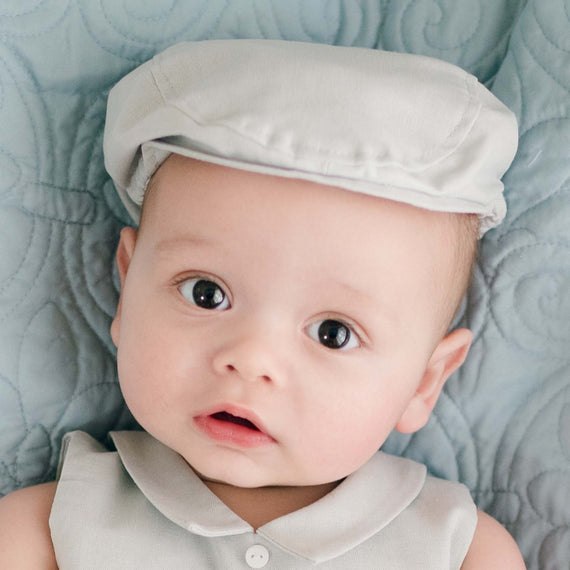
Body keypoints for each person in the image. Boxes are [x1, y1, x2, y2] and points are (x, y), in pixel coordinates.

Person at [0, 40, 526, 568]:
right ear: (127, 288)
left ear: (424, 381)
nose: (250, 359)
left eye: (332, 333)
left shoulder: (460, 549)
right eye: (206, 294)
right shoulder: (45, 530)